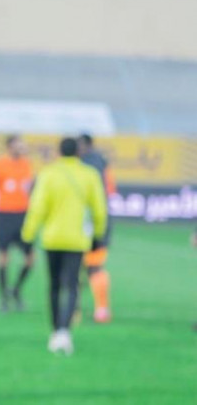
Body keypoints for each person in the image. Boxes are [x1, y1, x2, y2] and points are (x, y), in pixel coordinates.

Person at [21, 138, 107, 355]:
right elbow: (99, 208)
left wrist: (28, 235)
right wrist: (98, 234)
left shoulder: (49, 174)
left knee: (54, 285)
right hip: (77, 240)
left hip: (52, 238)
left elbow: (37, 207)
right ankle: (64, 331)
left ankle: (55, 330)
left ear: (59, 152)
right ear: (78, 152)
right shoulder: (89, 175)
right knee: (73, 285)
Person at [0, 135, 34, 312]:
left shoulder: (27, 164)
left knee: (30, 259)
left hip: (23, 217)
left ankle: (16, 289)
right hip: (4, 216)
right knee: (3, 257)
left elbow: (30, 190)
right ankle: (4, 298)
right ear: (10, 146)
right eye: (18, 145)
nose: (21, 148)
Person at [77, 133, 115, 323]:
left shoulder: (84, 165)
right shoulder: (103, 162)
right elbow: (110, 190)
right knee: (95, 267)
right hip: (102, 221)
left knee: (78, 267)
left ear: (86, 145)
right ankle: (102, 310)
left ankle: (74, 309)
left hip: (85, 222)